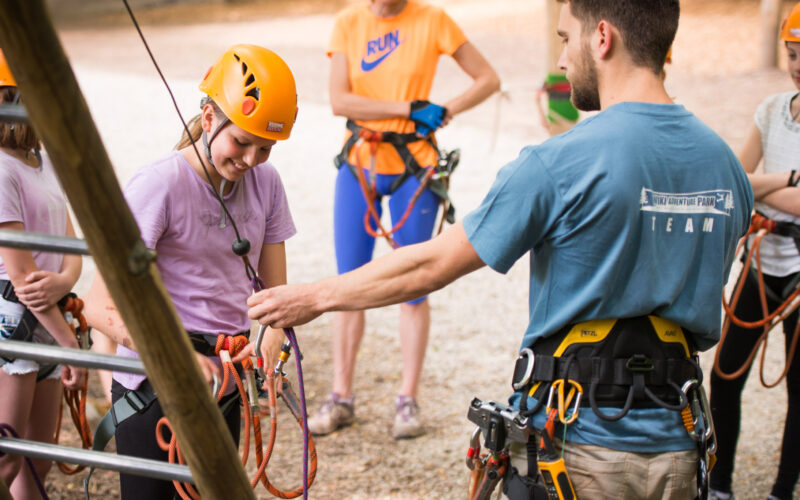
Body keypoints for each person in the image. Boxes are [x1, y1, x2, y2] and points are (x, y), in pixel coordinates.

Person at [248, 0, 754, 498]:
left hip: (578, 451)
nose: (560, 59)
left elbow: (431, 265)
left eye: (564, 38)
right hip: (682, 449)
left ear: (602, 38)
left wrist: (314, 298)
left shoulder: (560, 162)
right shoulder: (726, 167)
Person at [82, 44, 297, 500]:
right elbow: (98, 307)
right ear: (208, 117)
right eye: (242, 142)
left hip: (226, 377)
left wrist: (272, 348)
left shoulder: (267, 184)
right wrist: (175, 356)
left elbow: (276, 299)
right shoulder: (159, 185)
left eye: (266, 148)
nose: (251, 160)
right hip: (156, 384)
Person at [316, 0, 500, 440]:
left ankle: (407, 399)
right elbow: (339, 100)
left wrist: (445, 110)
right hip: (359, 161)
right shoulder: (347, 23)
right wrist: (409, 107)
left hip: (414, 167)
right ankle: (340, 395)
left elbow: (489, 79)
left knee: (414, 285)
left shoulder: (432, 20)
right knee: (348, 282)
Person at [709, 4, 800, 500]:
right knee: (724, 374)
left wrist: (757, 189)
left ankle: (782, 491)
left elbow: (749, 185)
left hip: (797, 267)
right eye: (792, 54)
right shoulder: (772, 111)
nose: (799, 64)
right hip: (764, 258)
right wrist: (784, 179)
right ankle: (720, 483)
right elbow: (733, 181)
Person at [0, 49, 88, 497]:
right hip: (15, 318)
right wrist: (70, 344)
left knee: (40, 456)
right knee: (8, 456)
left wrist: (66, 280)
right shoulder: (1, 169)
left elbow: (71, 242)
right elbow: (21, 276)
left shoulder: (43, 161)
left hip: (50, 311)